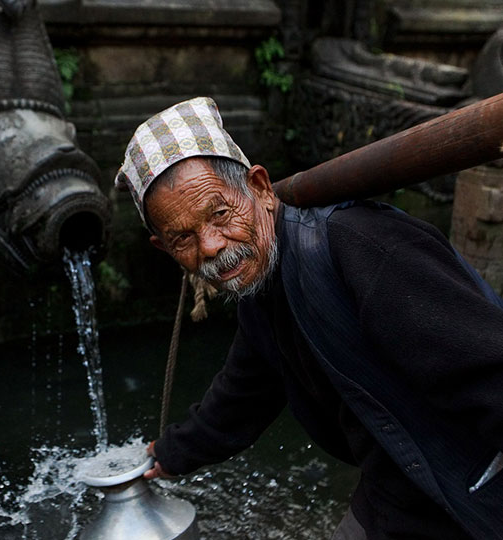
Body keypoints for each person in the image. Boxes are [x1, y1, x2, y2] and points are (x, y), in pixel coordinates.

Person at [114, 96, 503, 540]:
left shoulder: (363, 248)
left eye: (220, 214)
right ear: (163, 248)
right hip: (397, 486)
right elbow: (245, 392)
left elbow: (491, 371)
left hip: (472, 484)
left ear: (260, 188)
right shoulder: (261, 287)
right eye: (183, 237)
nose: (210, 247)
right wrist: (169, 454)